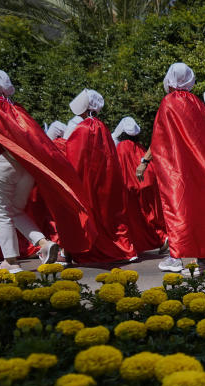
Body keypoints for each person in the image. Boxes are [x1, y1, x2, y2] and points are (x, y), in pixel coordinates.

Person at [0, 69, 94, 273]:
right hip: (25, 167)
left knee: (0, 213)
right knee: (16, 210)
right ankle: (44, 243)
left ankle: (11, 261)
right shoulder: (16, 108)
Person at [138, 63, 205, 273]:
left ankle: (176, 257)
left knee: (178, 208)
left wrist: (145, 161)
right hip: (203, 167)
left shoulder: (168, 103)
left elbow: (159, 139)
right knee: (200, 210)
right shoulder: (197, 104)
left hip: (177, 168)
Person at [62, 89, 137, 262]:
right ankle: (120, 249)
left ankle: (85, 250)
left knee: (89, 214)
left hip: (86, 180)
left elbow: (74, 157)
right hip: (105, 180)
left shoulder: (82, 127)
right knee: (107, 215)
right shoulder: (101, 126)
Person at [113, 116, 168, 255]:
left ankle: (158, 240)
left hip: (134, 185)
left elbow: (121, 168)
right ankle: (163, 237)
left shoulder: (122, 146)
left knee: (139, 219)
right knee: (152, 215)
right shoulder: (140, 146)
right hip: (149, 181)